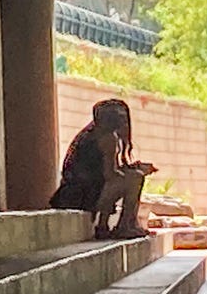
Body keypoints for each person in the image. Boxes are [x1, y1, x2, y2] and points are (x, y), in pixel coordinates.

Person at [50, 98, 156, 239]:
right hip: (82, 195)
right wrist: (137, 171)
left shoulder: (90, 133)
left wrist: (130, 169)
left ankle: (106, 226)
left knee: (132, 175)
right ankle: (122, 226)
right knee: (135, 178)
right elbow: (110, 175)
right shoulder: (107, 138)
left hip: (70, 194)